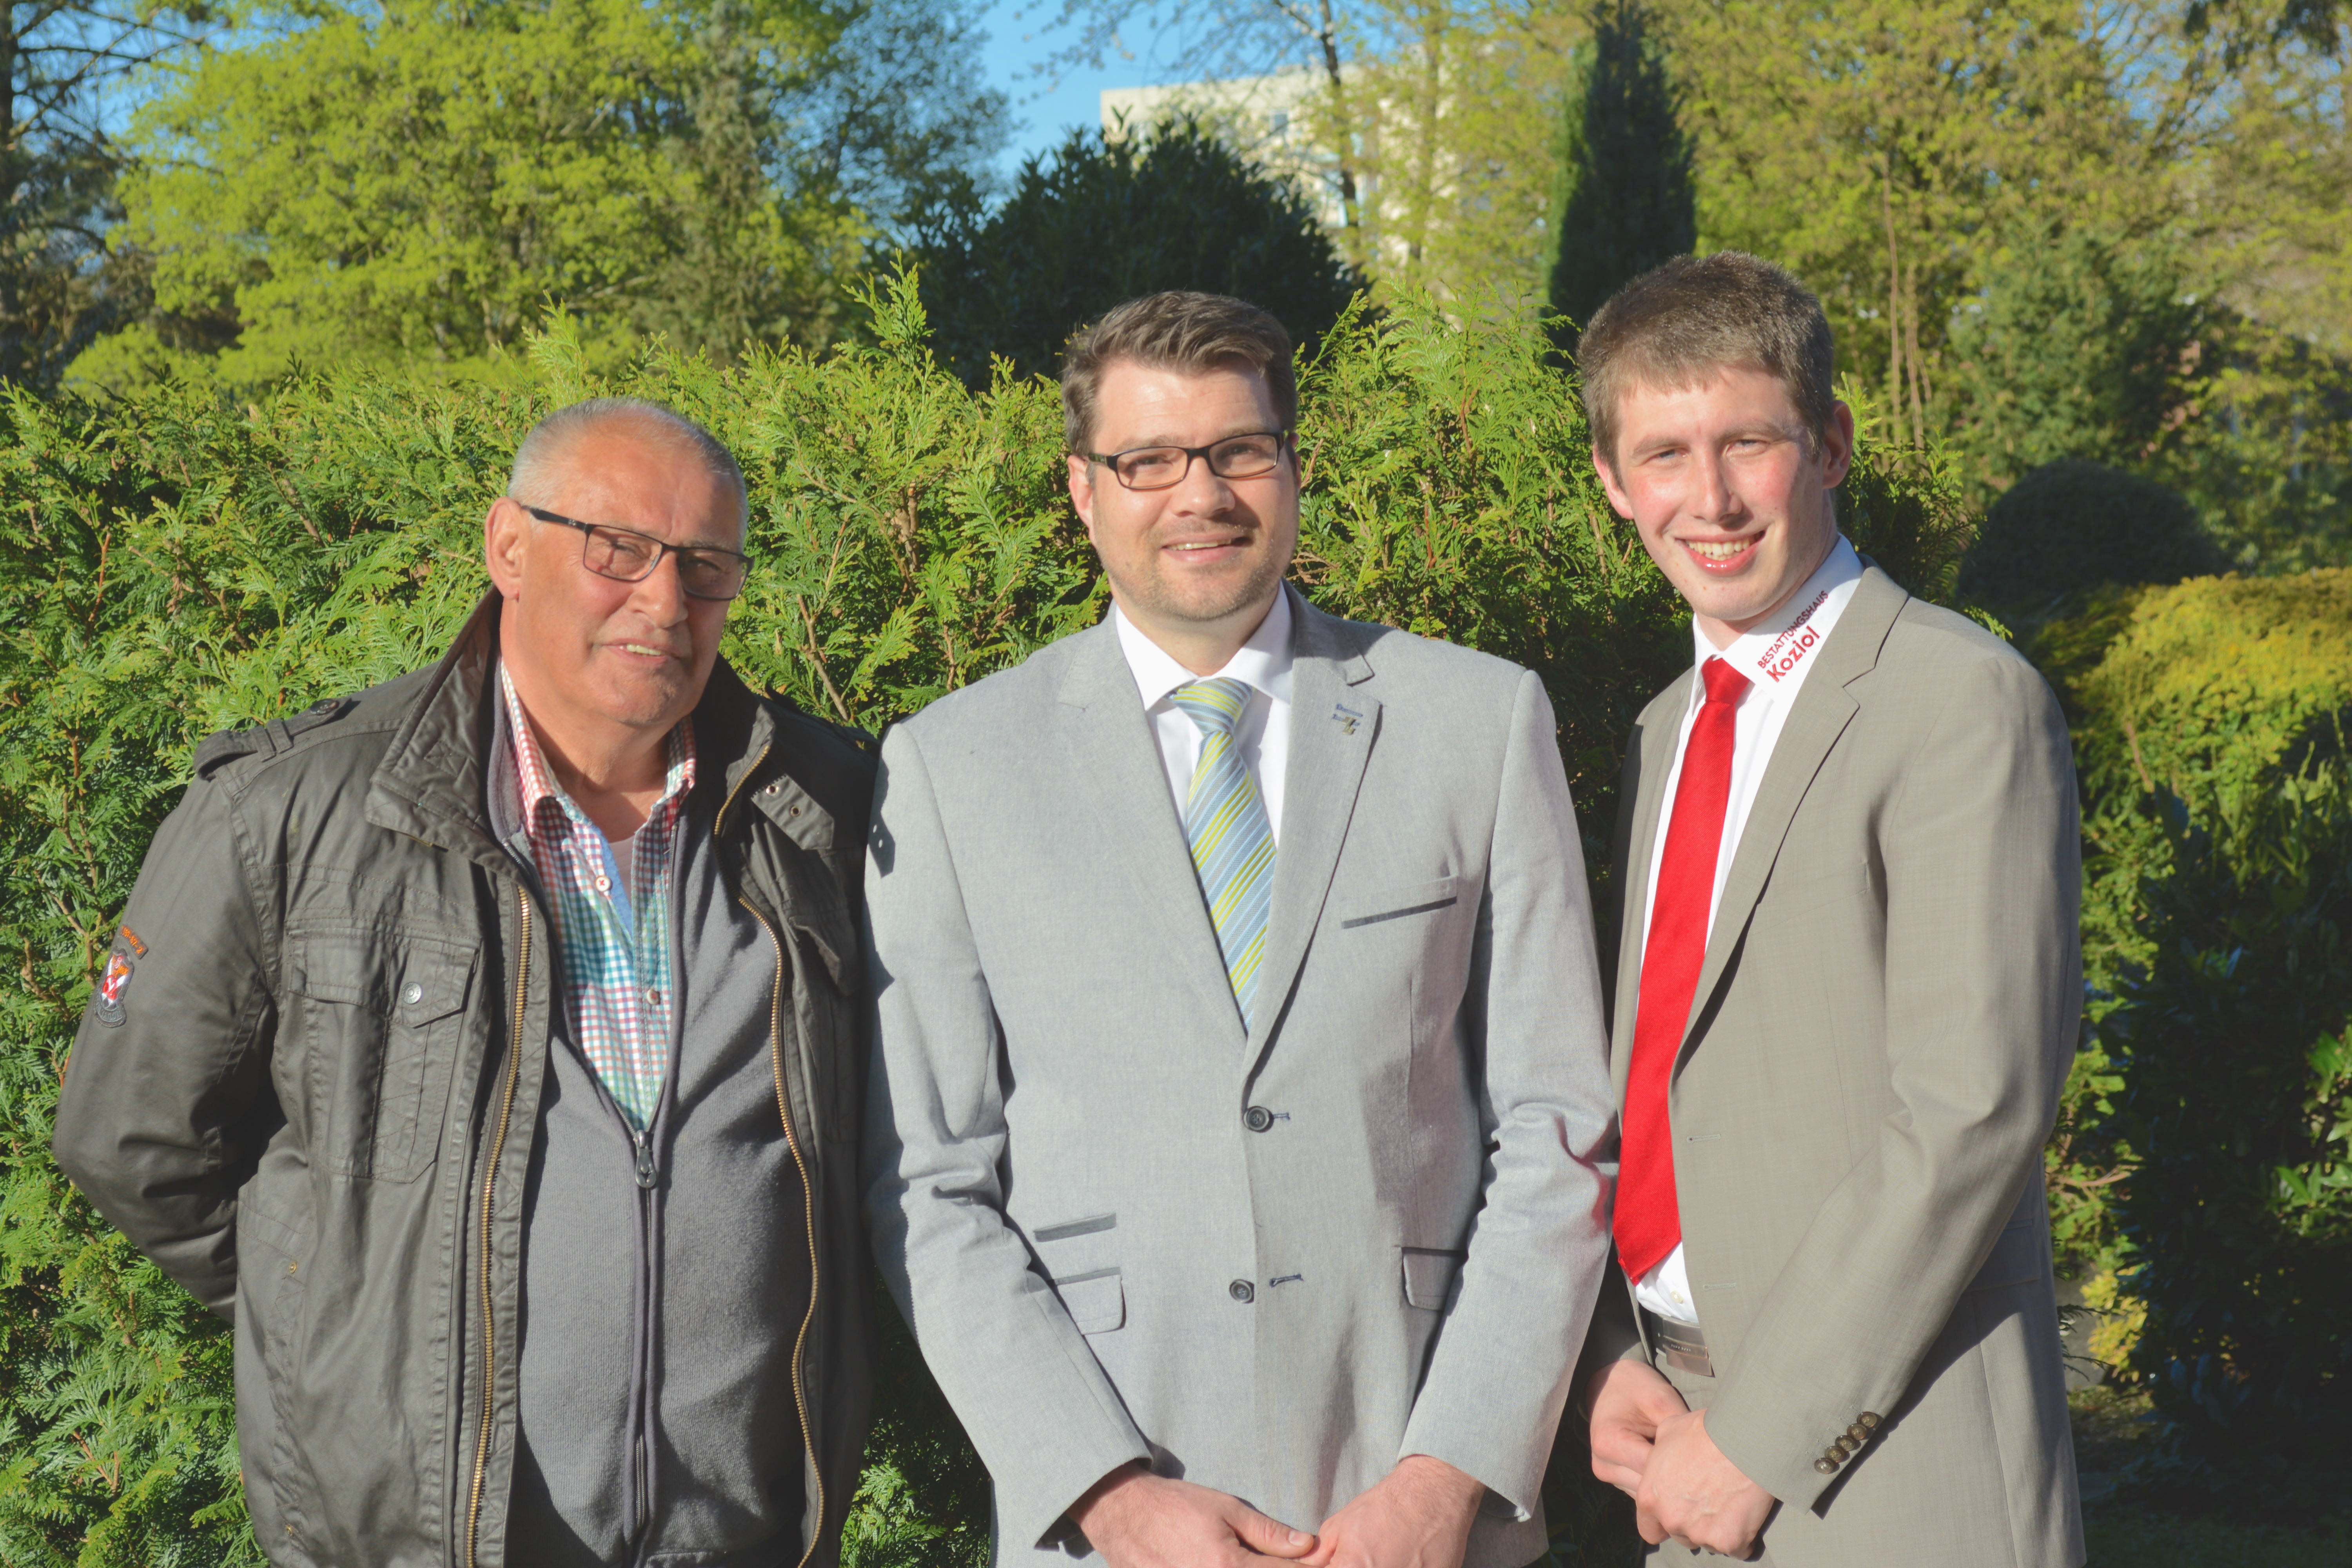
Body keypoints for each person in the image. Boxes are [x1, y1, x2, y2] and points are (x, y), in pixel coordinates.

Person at [862, 290, 1617, 1568]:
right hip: (1116, 1518)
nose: (1198, 494)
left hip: (1417, 1502)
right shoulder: (951, 768)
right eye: (1148, 460)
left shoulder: (1475, 722)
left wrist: (1448, 1478)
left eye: (1238, 451)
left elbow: (1557, 1128)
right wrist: (1108, 1496)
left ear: (1294, 471)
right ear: (1083, 490)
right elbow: (930, 1183)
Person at [51, 399, 875, 1568]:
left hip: (748, 1540)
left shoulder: (821, 810)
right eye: (617, 550)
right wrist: (341, 1316)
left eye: (706, 567)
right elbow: (133, 1141)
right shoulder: (289, 816)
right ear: (507, 546)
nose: (663, 603)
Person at [1573, 252, 2084, 1566]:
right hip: (1674, 1431)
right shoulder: (1663, 729)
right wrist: (1614, 1359)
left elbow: (1976, 1110)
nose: (1714, 497)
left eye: (1752, 441)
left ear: (1833, 446)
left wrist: (1757, 1435)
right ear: (1615, 484)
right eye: (1667, 454)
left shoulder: (1958, 700)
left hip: (1889, 1447)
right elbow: (1659, 1077)